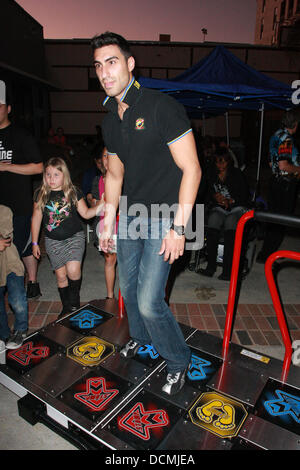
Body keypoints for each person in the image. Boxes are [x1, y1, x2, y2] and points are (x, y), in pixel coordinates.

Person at [91, 32, 201, 396]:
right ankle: (139, 339)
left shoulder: (160, 107)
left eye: (112, 62)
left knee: (150, 301)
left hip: (166, 216)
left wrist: (179, 228)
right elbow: (116, 174)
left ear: (129, 64)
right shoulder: (109, 119)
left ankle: (178, 361)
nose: (105, 72)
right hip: (131, 216)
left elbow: (192, 170)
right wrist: (108, 221)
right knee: (129, 288)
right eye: (98, 65)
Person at [31, 157, 104, 318]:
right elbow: (36, 218)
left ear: (64, 175)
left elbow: (85, 213)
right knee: (61, 276)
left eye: (56, 175)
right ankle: (66, 307)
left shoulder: (73, 192)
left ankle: (74, 302)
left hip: (74, 238)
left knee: (73, 270)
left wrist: (100, 206)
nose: (51, 178)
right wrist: (35, 242)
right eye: (48, 174)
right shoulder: (40, 194)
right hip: (52, 241)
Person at [0, 95, 43, 299]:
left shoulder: (21, 135)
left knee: (23, 247)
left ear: (8, 108)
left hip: (19, 203)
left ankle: (32, 281)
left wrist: (7, 167)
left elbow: (38, 167)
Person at [199, 149, 249, 280]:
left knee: (231, 222)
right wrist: (215, 197)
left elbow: (244, 196)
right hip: (219, 208)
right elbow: (206, 193)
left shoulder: (236, 174)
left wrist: (230, 201)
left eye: (223, 162)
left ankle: (228, 270)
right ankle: (211, 266)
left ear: (228, 162)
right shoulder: (211, 174)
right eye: (218, 162)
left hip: (236, 207)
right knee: (213, 220)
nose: (220, 165)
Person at [256, 110, 300, 263]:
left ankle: (265, 253)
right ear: (294, 124)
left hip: (275, 181)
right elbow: (284, 165)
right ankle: (268, 254)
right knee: (281, 221)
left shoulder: (276, 135)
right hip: (285, 184)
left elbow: (271, 161)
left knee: (274, 219)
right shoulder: (287, 139)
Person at [90, 147, 117, 299]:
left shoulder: (127, 180)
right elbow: (95, 204)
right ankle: (110, 296)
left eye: (112, 155)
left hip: (125, 225)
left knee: (127, 262)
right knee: (110, 259)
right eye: (105, 156)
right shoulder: (98, 180)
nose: (108, 159)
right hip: (106, 226)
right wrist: (97, 203)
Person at [0, 205, 28, 349]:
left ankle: (21, 330)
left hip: (10, 264)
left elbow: (4, 240)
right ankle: (4, 335)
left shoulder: (4, 210)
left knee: (17, 299)